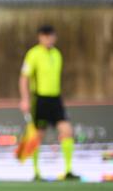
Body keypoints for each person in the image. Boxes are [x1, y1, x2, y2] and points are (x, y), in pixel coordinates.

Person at [19, 25, 80, 181]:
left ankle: (68, 170)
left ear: (55, 37)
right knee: (37, 135)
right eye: (45, 36)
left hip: (55, 99)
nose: (48, 38)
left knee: (67, 130)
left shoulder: (57, 54)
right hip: (39, 100)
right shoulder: (33, 54)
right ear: (40, 37)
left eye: (51, 35)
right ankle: (37, 172)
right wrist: (25, 99)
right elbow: (24, 77)